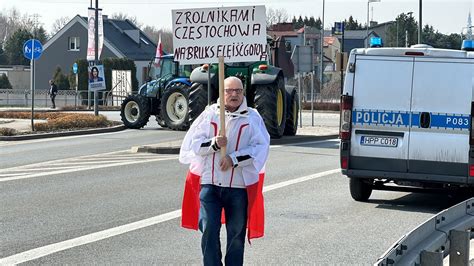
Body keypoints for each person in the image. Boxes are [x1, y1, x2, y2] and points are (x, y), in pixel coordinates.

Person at [179, 76, 270, 266]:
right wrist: (213, 144)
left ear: (243, 93)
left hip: (237, 188)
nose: (234, 94)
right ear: (222, 93)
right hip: (210, 185)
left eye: (238, 91)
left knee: (236, 235)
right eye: (229, 91)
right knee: (209, 230)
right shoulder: (209, 115)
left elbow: (260, 148)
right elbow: (193, 145)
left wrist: (233, 159)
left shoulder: (252, 118)